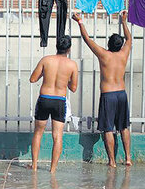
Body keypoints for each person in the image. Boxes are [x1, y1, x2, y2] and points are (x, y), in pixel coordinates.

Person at [73, 11, 132, 167]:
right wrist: (124, 21)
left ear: (108, 44)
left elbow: (87, 40)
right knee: (124, 127)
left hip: (108, 95)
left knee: (107, 128)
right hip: (121, 94)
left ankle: (112, 161)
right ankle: (128, 158)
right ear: (120, 45)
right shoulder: (124, 54)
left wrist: (80, 22)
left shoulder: (104, 55)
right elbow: (129, 38)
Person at [29, 35, 78, 173]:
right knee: (57, 136)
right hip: (59, 101)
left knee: (38, 132)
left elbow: (32, 79)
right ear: (69, 49)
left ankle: (34, 166)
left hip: (45, 98)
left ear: (57, 46)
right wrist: (64, 79)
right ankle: (52, 169)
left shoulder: (46, 60)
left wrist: (46, 75)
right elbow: (73, 88)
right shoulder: (72, 65)